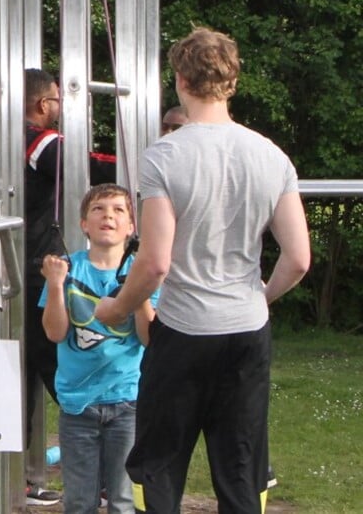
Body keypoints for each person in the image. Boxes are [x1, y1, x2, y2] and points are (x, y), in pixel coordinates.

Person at [97, 28, 310, 514]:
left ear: (180, 79)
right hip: (246, 332)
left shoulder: (165, 157)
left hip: (183, 333)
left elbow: (154, 263)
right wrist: (261, 297)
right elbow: (298, 259)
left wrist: (117, 308)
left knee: (160, 462)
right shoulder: (272, 156)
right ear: (232, 80)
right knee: (241, 465)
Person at [22, 68, 117, 506]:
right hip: (36, 266)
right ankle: (97, 471)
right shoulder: (41, 142)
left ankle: (24, 474)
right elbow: (93, 165)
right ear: (43, 106)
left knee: (24, 369)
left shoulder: (2, 140)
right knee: (57, 363)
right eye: (59, 103)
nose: (62, 111)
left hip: (18, 264)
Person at [41, 184, 157, 514]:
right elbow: (55, 332)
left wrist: (140, 288)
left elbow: (149, 337)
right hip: (77, 404)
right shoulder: (67, 269)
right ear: (83, 224)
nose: (108, 215)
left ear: (131, 227)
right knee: (79, 501)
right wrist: (54, 285)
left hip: (127, 401)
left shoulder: (144, 271)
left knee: (123, 500)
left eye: (119, 210)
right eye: (99, 209)